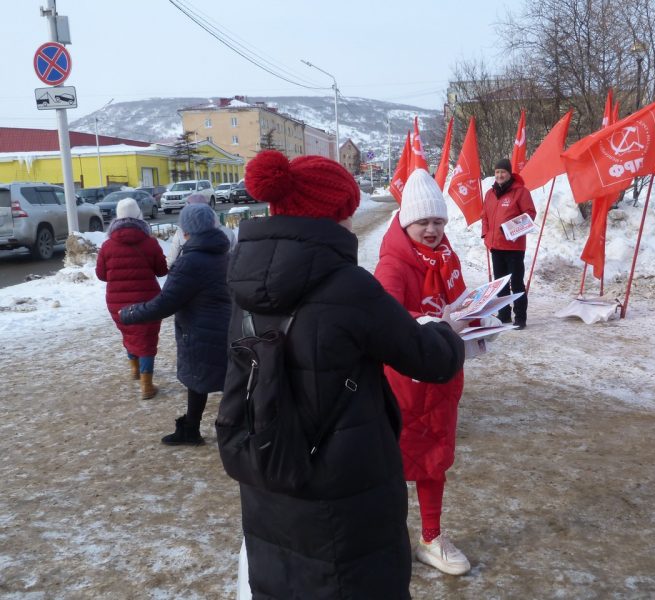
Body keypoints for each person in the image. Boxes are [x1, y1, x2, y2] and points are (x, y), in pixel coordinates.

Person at [226, 150, 465, 598]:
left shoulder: (242, 281)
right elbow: (431, 359)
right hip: (344, 479)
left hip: (270, 464)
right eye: (349, 212)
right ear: (334, 215)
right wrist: (445, 329)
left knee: (285, 575)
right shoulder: (348, 285)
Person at [374, 168, 472, 576]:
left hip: (442, 375)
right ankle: (387, 541)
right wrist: (435, 325)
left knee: (435, 461)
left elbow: (459, 301)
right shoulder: (392, 265)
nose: (432, 230)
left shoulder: (446, 257)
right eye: (423, 222)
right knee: (393, 465)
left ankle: (431, 538)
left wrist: (477, 319)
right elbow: (385, 322)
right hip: (405, 382)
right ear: (406, 222)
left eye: (438, 222)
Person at [120, 203, 231, 445]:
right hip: (226, 328)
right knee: (218, 380)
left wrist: (130, 313)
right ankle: (202, 429)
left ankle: (212, 431)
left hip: (200, 332)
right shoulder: (223, 253)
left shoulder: (190, 261)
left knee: (200, 378)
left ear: (186, 230)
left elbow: (165, 303)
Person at [96, 197, 168, 399]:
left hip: (116, 302)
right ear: (139, 216)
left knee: (130, 333)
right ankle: (147, 386)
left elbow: (101, 275)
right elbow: (162, 271)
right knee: (146, 339)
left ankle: (135, 369)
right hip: (148, 302)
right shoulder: (150, 243)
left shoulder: (107, 246)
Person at [481, 157, 537, 329]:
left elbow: (530, 214)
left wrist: (510, 229)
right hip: (495, 246)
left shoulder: (521, 192)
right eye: (497, 172)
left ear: (509, 173)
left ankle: (520, 317)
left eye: (503, 172)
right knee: (500, 283)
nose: (499, 175)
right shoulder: (489, 194)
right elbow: (485, 216)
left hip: (514, 247)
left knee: (516, 283)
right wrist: (486, 234)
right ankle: (504, 314)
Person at [165, 193, 235, 268]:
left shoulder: (181, 233)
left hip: (190, 272)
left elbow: (171, 260)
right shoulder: (227, 232)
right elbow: (235, 260)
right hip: (222, 273)